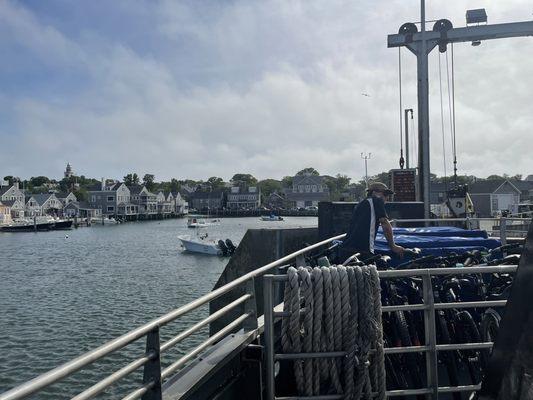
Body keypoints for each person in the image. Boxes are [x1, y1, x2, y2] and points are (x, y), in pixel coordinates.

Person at [338, 181, 404, 263]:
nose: (387, 198)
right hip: (361, 251)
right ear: (374, 193)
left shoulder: (361, 204)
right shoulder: (376, 200)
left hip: (346, 250)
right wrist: (393, 246)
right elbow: (384, 223)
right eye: (385, 194)